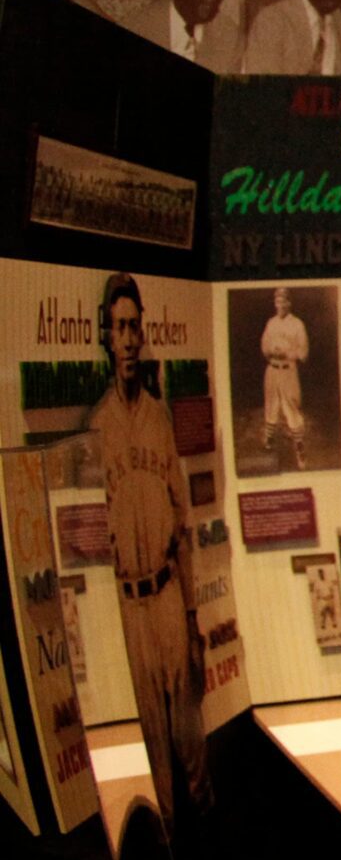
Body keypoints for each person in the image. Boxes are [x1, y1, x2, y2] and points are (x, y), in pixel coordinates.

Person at [86, 274, 208, 821]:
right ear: (106, 337)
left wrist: (191, 617)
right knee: (152, 749)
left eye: (136, 326)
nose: (130, 338)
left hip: (165, 594)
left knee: (190, 744)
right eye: (120, 327)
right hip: (127, 603)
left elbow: (181, 522)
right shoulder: (98, 428)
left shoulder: (160, 419)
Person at [256, 287, 311, 469]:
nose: (280, 305)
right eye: (277, 301)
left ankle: (300, 449)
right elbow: (264, 347)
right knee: (271, 405)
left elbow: (303, 353)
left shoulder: (297, 324)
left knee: (292, 410)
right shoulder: (271, 323)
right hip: (272, 368)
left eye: (283, 301)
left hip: (288, 369)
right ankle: (269, 440)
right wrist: (272, 351)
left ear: (289, 303)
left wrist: (287, 351)